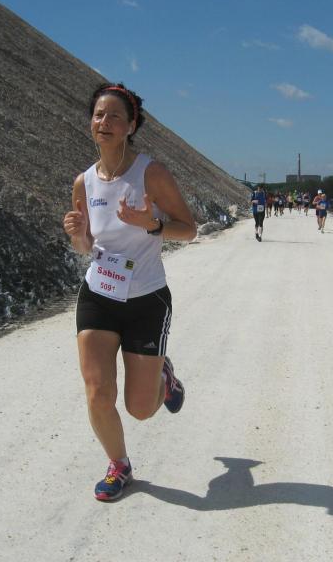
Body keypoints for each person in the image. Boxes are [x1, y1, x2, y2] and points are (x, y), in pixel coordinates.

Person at [62, 82, 197, 502]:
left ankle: (163, 376)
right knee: (98, 390)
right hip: (99, 295)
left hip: (146, 300)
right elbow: (86, 246)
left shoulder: (150, 174)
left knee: (140, 408)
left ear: (131, 125)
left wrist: (151, 225)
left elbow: (188, 229)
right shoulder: (84, 182)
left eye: (114, 116)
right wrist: (78, 235)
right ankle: (118, 465)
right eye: (98, 115)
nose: (104, 122)